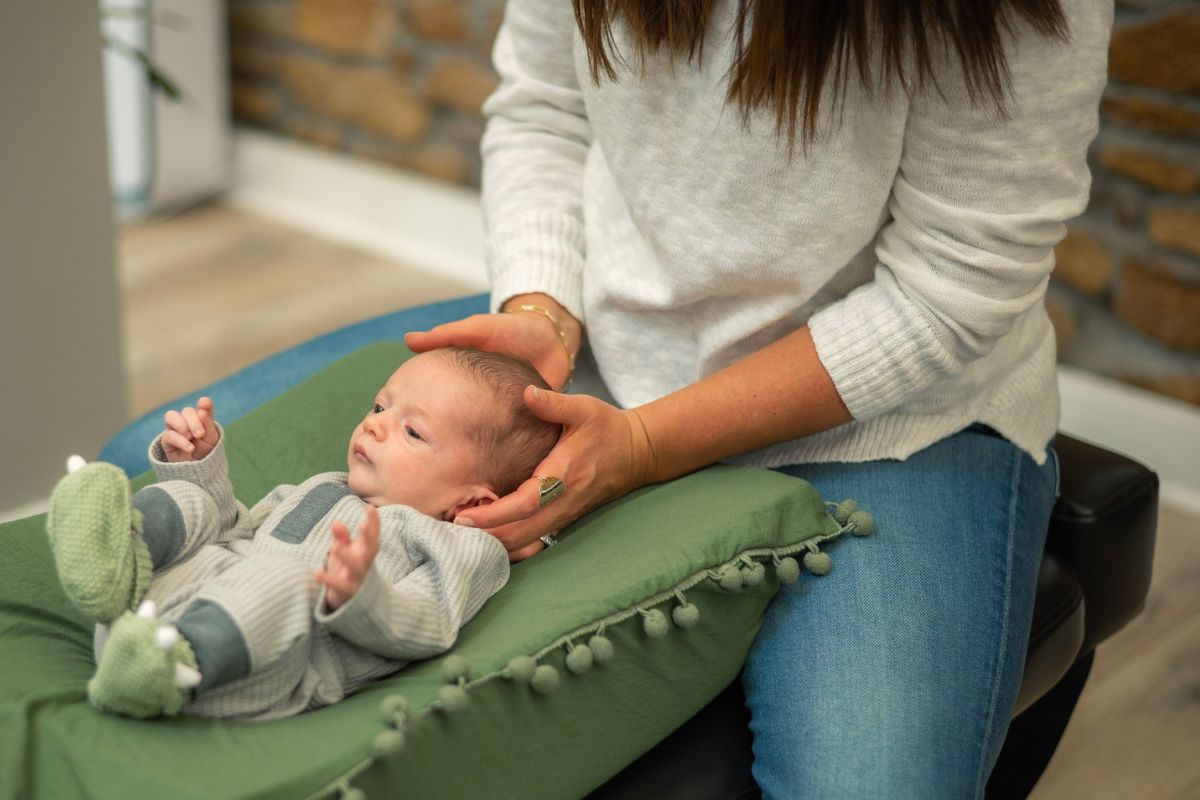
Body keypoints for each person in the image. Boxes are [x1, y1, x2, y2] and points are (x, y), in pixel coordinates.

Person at [403, 0, 1105, 796]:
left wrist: (645, 445)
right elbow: (544, 110)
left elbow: (953, 287)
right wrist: (541, 309)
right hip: (594, 355)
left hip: (890, 425)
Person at [44, 348, 560, 720]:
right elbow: (233, 534)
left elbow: (432, 621)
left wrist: (362, 596)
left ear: (471, 502)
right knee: (193, 502)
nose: (374, 425)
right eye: (380, 407)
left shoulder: (460, 542)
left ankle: (169, 660)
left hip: (253, 665)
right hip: (143, 623)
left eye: (413, 431)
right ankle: (115, 562)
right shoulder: (324, 486)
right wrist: (199, 466)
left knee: (288, 577)